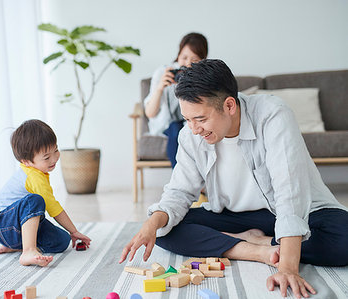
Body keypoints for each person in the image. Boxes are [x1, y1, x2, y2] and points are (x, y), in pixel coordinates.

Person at [120, 59, 348, 298]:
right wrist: (152, 224)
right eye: (188, 119)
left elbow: (290, 190)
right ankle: (252, 249)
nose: (194, 129)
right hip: (237, 219)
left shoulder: (273, 114)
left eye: (200, 119)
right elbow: (179, 192)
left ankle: (265, 242)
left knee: (344, 239)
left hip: (302, 210)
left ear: (229, 105)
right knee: (164, 230)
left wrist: (288, 267)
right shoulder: (190, 135)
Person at [0, 119, 91, 267]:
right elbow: (53, 207)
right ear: (26, 161)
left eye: (55, 150)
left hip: (17, 228)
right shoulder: (33, 177)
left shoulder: (38, 171)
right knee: (35, 200)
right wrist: (74, 231)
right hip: (1, 225)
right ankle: (28, 251)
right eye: (47, 157)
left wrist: (70, 234)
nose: (54, 158)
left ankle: (18, 246)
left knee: (62, 240)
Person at [144, 32, 208, 167]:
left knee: (189, 131)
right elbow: (150, 113)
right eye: (184, 57)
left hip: (193, 124)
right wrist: (160, 88)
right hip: (168, 125)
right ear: (178, 55)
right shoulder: (164, 73)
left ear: (203, 60)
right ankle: (179, 180)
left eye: (194, 60)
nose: (187, 63)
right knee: (176, 128)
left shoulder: (205, 76)